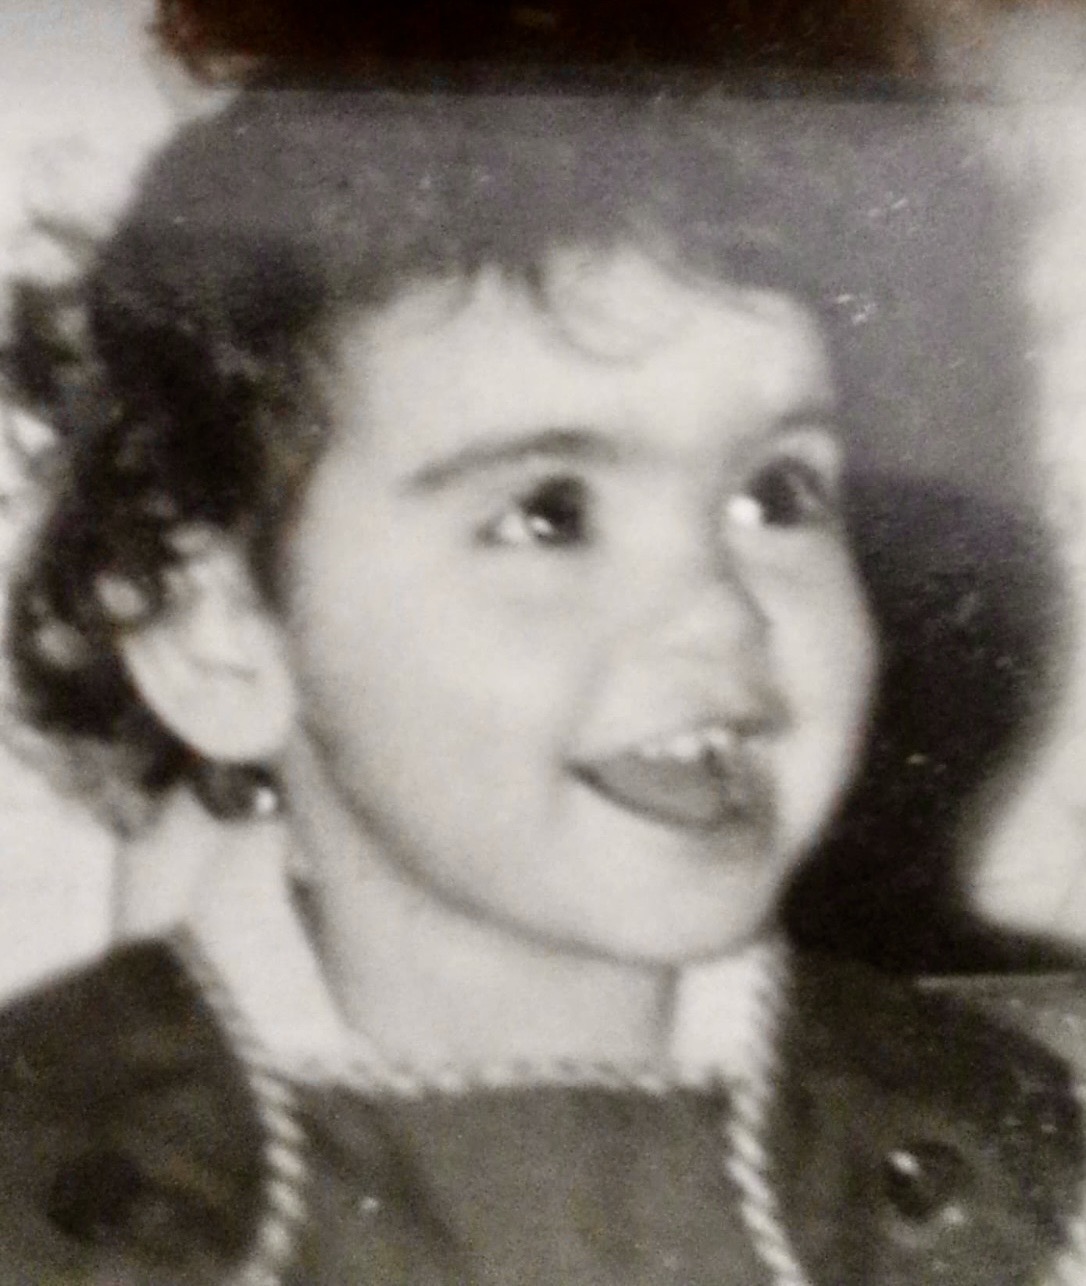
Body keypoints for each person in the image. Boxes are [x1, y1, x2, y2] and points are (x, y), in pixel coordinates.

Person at [0, 77, 1083, 1285]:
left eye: (775, 494)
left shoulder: (1018, 1177)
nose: (720, 610)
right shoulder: (47, 1197)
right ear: (225, 637)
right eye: (549, 513)